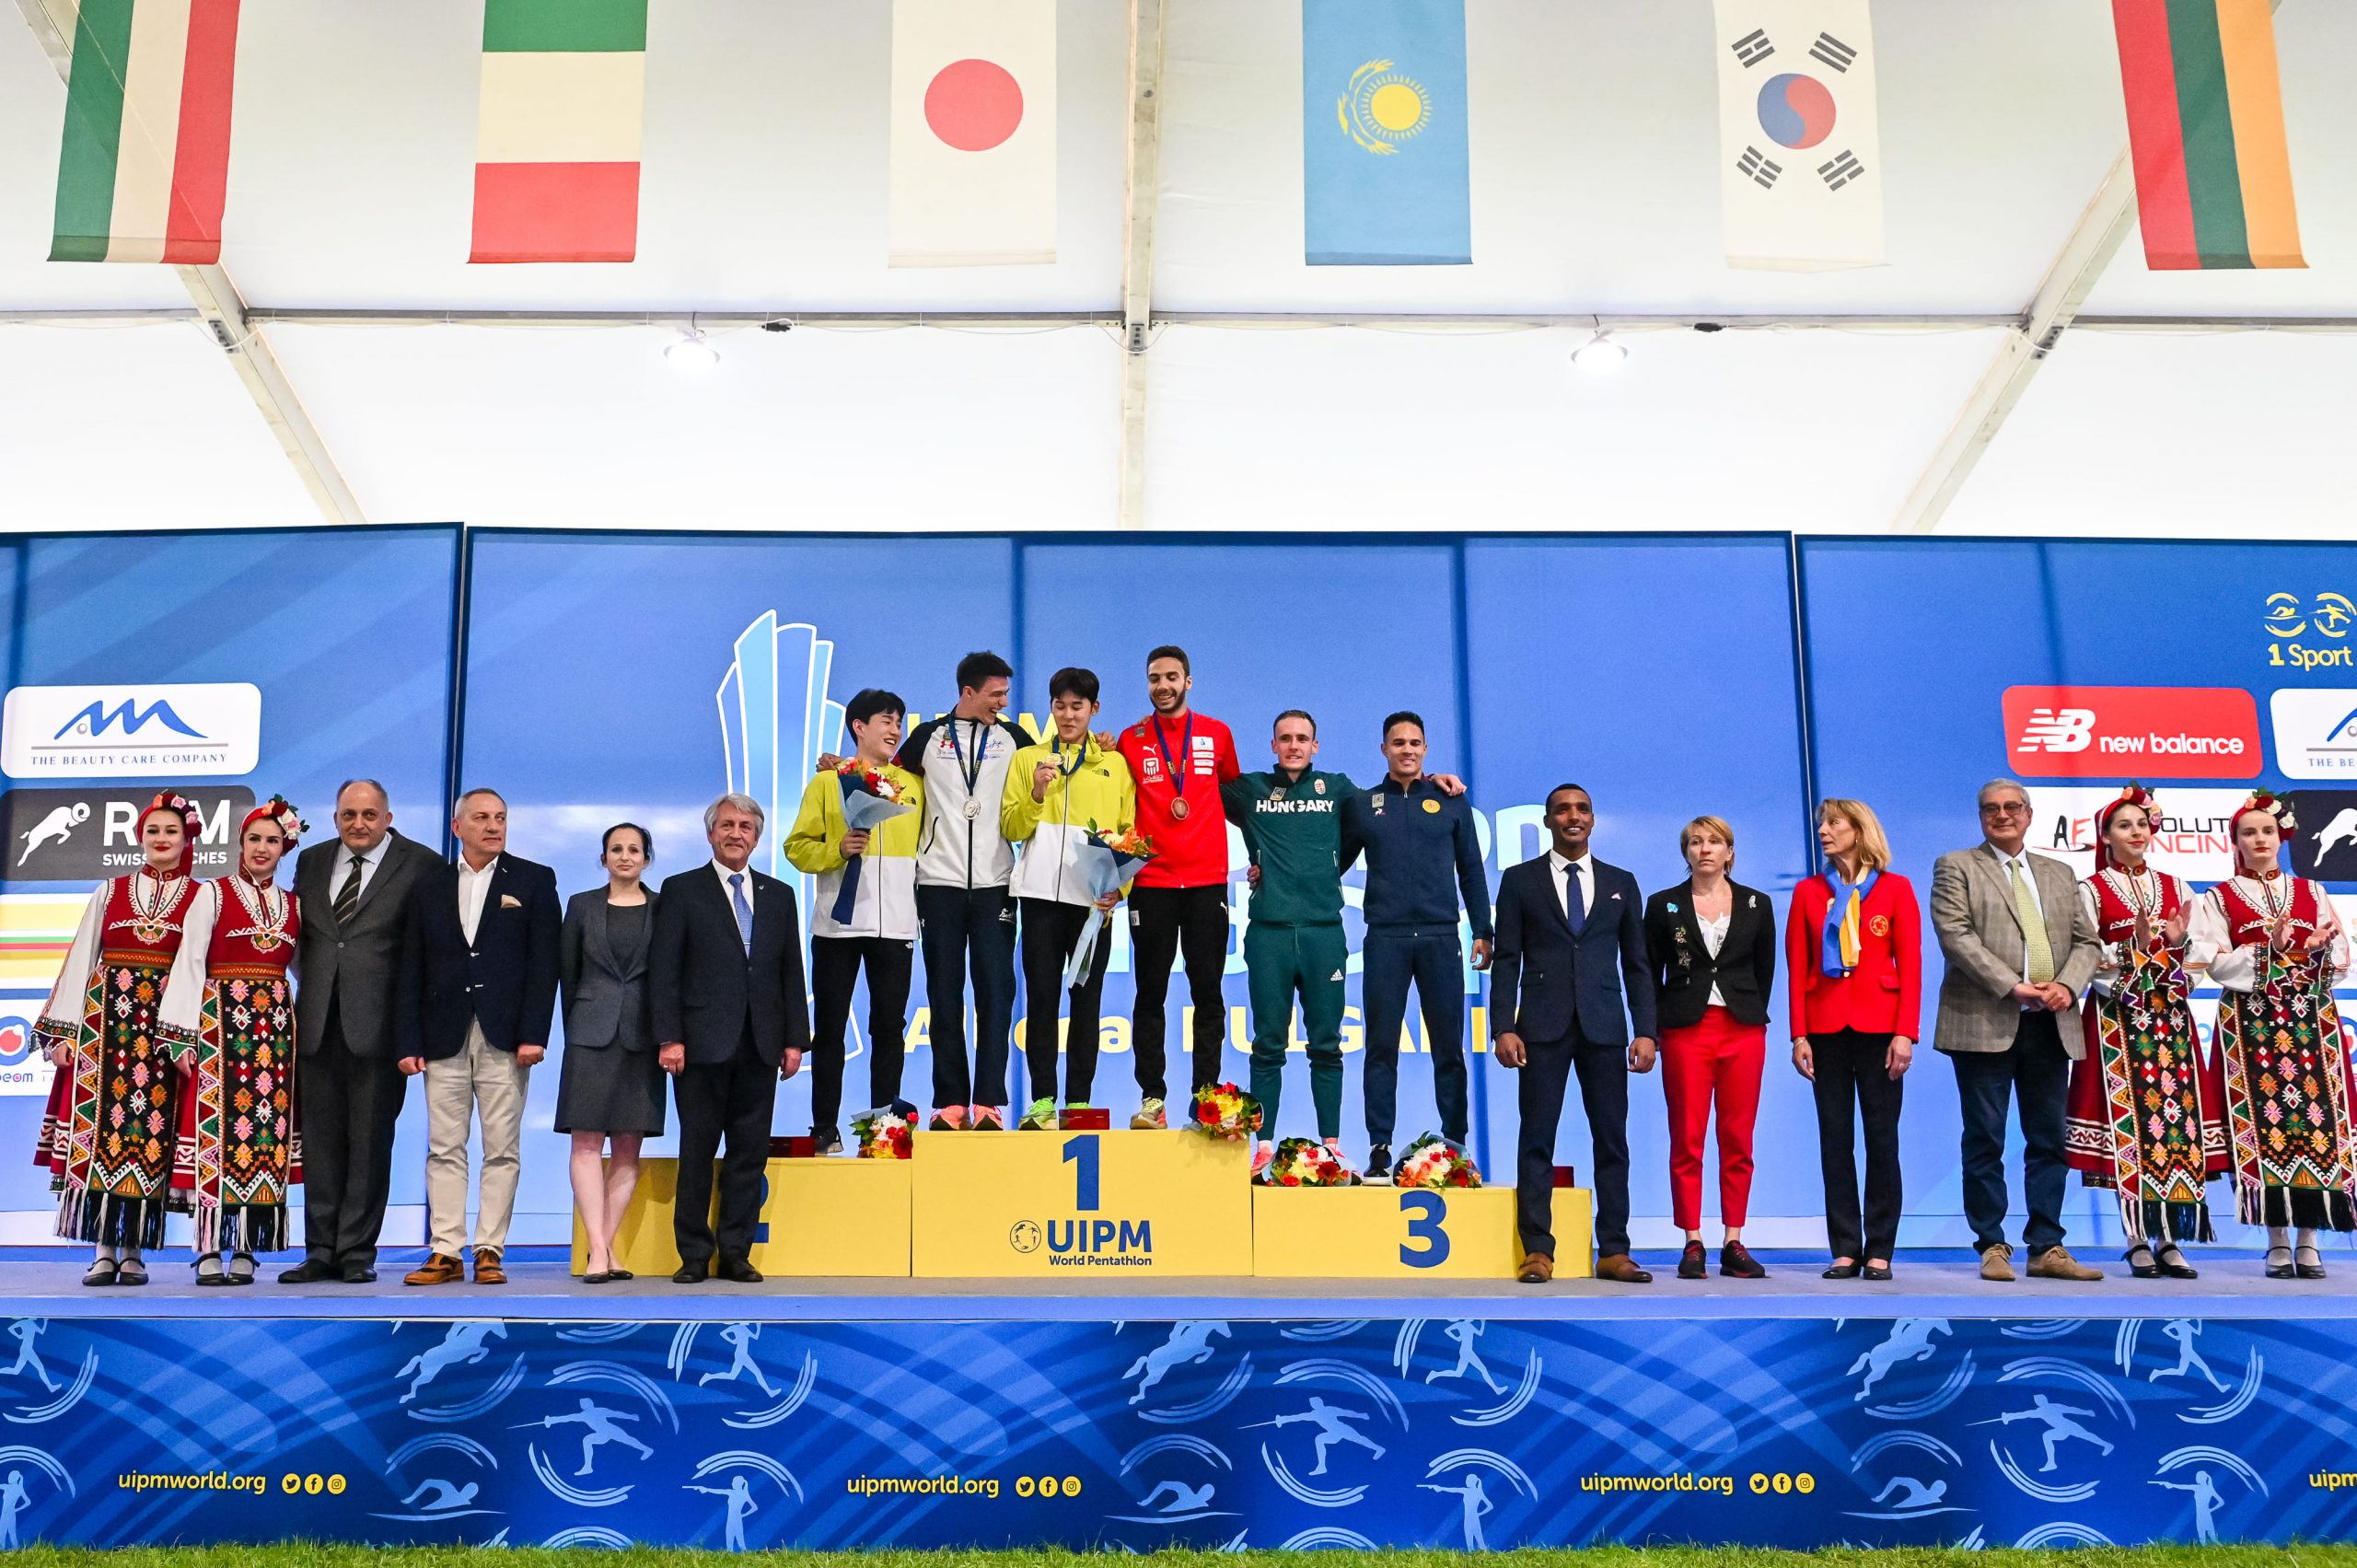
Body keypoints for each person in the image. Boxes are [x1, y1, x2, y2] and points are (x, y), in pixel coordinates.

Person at [1931, 778, 2104, 1283]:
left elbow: (2087, 942)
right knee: (1984, 1138)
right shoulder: (1956, 865)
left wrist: (2067, 986)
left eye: (2012, 807)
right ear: (1980, 817)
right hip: (1984, 1019)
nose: (2002, 815)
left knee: (2049, 1140)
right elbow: (1955, 935)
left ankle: (2047, 1246)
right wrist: (2012, 986)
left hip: (2050, 1022)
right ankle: (1991, 1245)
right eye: (1991, 808)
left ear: (2028, 814)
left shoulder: (2059, 872)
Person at [31, 790, 206, 1285]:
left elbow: (199, 968)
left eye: (171, 831)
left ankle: (134, 1253)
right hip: (103, 1028)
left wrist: (187, 1034)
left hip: (160, 1033)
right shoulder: (109, 892)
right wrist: (63, 1031)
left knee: (148, 1137)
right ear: (140, 837)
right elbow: (81, 959)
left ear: (186, 839)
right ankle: (102, 1251)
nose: (161, 839)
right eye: (153, 831)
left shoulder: (201, 897)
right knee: (100, 1135)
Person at [1489, 784, 1656, 1285]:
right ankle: (1537, 1250)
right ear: (1548, 821)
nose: (1573, 816)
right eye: (1562, 810)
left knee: (1612, 1141)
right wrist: (1503, 1026)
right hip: (1541, 1026)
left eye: (1582, 809)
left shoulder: (1621, 882)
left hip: (1605, 1026)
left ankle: (1614, 1250)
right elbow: (1507, 959)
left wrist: (1646, 1031)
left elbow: (1638, 964)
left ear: (1593, 819)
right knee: (1536, 1139)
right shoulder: (1519, 880)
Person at [2188, 791, 2357, 1280]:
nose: (2259, 839)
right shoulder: (2218, 898)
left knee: (2316, 1127)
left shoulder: (2311, 891)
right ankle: (2277, 1240)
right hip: (2250, 1026)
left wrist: (2313, 950)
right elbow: (2215, 963)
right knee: (2264, 1130)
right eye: (2249, 832)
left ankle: (2310, 1239)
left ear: (2282, 836)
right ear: (2236, 841)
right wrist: (2271, 949)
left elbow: (2340, 959)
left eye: (2266, 830)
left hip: (2311, 1025)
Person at [2061, 784, 2227, 1278]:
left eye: (2141, 823)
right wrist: (2134, 950)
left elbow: (2202, 953)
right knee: (2127, 1128)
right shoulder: (2090, 890)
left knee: (2175, 1126)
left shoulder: (2177, 887)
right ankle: (2135, 1238)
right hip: (2117, 1019)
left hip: (2171, 1021)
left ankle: (2169, 1237)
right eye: (2124, 825)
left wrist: (2174, 947)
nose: (2136, 832)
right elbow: (2085, 952)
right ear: (2105, 837)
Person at [400, 789, 562, 1288]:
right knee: (443, 1146)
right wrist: (408, 1041)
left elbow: (545, 965)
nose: (493, 826)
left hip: (507, 1036)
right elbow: (410, 966)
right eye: (482, 818)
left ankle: (490, 1248)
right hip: (442, 1034)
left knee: (502, 1148)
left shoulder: (534, 879)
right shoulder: (428, 885)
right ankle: (445, 1250)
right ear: (457, 828)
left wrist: (534, 1034)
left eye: (500, 818)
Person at [287, 778, 443, 1284]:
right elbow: (305, 941)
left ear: (388, 818)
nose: (359, 824)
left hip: (381, 1031)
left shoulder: (422, 864)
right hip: (316, 1025)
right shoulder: (311, 860)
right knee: (321, 1143)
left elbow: (429, 956)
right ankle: (319, 1251)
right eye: (349, 815)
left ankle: (356, 1251)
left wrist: (416, 1034)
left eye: (369, 815)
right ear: (335, 818)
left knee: (370, 1143)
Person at [650, 793, 810, 1283]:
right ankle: (694, 1255)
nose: (735, 833)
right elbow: (665, 971)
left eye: (745, 826)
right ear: (710, 834)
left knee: (749, 1153)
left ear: (757, 838)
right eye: (726, 825)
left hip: (761, 1043)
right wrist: (669, 1037)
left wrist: (795, 1040)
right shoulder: (681, 889)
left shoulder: (780, 894)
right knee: (697, 1151)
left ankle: (736, 1253)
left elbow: (790, 970)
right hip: (700, 1044)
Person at [158, 796, 308, 1284]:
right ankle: (207, 1247)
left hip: (273, 1036)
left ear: (284, 847)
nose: (262, 848)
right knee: (214, 1137)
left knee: (263, 1139)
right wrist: (180, 1036)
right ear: (241, 844)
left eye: (272, 841)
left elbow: (302, 971)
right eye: (254, 839)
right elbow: (189, 961)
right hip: (218, 1027)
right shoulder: (214, 894)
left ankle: (247, 1245)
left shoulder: (294, 905)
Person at [1340, 711, 1492, 1179]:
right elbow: (1330, 866)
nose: (1406, 750)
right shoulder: (1364, 805)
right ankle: (1379, 1147)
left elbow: (1471, 869)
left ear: (1425, 749)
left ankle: (1455, 1144)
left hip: (1440, 937)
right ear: (1383, 749)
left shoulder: (1450, 800)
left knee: (1449, 1048)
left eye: (1414, 743)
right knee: (1380, 1047)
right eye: (1398, 743)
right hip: (1385, 939)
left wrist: (1483, 929)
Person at [892, 653, 1029, 1131]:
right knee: (944, 994)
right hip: (938, 884)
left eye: (1005, 694)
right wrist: (840, 769)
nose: (1003, 702)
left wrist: (1102, 743)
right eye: (996, 694)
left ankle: (989, 1101)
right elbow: (884, 780)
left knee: (996, 994)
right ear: (968, 692)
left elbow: (1057, 768)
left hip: (996, 885)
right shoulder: (927, 738)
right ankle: (950, 1101)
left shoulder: (1014, 739)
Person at [1787, 798, 1920, 1281]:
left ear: (1859, 831)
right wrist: (1798, 1034)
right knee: (1835, 1141)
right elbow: (1797, 966)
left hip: (1881, 1028)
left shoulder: (1896, 889)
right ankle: (1845, 1248)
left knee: (1883, 1140)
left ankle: (1880, 1249)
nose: (1823, 831)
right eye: (1822, 824)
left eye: (1833, 823)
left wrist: (1905, 1032)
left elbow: (1911, 964)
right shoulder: (1807, 892)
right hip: (1824, 1030)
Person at [788, 689, 923, 1149]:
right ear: (858, 727)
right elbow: (797, 847)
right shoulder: (828, 783)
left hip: (896, 924)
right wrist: (837, 849)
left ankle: (883, 1131)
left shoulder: (914, 785)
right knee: (829, 1029)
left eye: (899, 722)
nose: (895, 730)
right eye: (886, 721)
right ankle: (824, 1128)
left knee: (889, 1028)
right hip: (837, 925)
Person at [1002, 668, 1135, 1131]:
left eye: (1078, 706)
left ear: (1094, 709)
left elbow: (1129, 833)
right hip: (1039, 899)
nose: (1068, 715)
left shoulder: (1114, 765)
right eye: (1060, 706)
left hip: (1093, 905)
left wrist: (1120, 888)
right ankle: (1042, 1100)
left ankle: (1079, 1101)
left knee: (1087, 1003)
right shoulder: (1028, 759)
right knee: (1041, 1000)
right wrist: (1037, 791)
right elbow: (1011, 827)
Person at [1643, 815, 1776, 1281]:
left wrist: (1748, 1011)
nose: (1705, 849)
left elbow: (1764, 971)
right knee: (1687, 1136)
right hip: (1685, 1031)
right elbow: (1649, 973)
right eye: (1696, 842)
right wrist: (1650, 1030)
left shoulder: (1757, 903)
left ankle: (1734, 1238)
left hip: (1743, 1030)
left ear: (1729, 852)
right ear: (1686, 852)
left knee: (1738, 1137)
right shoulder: (1663, 905)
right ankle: (1692, 1239)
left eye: (1714, 842)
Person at [1115, 645, 1242, 1128]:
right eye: (1154, 678)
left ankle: (1205, 1098)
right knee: (1150, 993)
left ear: (1188, 681)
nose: (1162, 685)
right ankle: (1153, 1098)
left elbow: (1235, 796)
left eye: (1171, 677)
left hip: (1207, 882)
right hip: (1152, 882)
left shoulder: (1217, 733)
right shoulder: (1130, 739)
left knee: (1208, 992)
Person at [1225, 710, 1355, 1171]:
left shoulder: (1337, 789)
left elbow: (1381, 812)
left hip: (1323, 933)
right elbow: (1192, 791)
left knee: (1327, 1044)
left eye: (1302, 739)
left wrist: (1433, 781)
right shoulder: (1251, 789)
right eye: (1286, 739)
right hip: (1269, 934)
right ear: (1273, 746)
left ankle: (1331, 1145)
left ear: (1315, 746)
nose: (1294, 746)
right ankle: (1263, 1146)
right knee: (1267, 1044)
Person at [556, 823, 668, 1284]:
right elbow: (567, 974)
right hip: (589, 1035)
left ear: (646, 859)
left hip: (643, 1037)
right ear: (603, 858)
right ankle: (600, 1251)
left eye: (634, 850)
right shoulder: (581, 905)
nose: (625, 856)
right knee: (585, 1142)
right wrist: (580, 1024)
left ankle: (605, 1245)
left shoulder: (664, 907)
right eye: (616, 849)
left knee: (627, 1146)